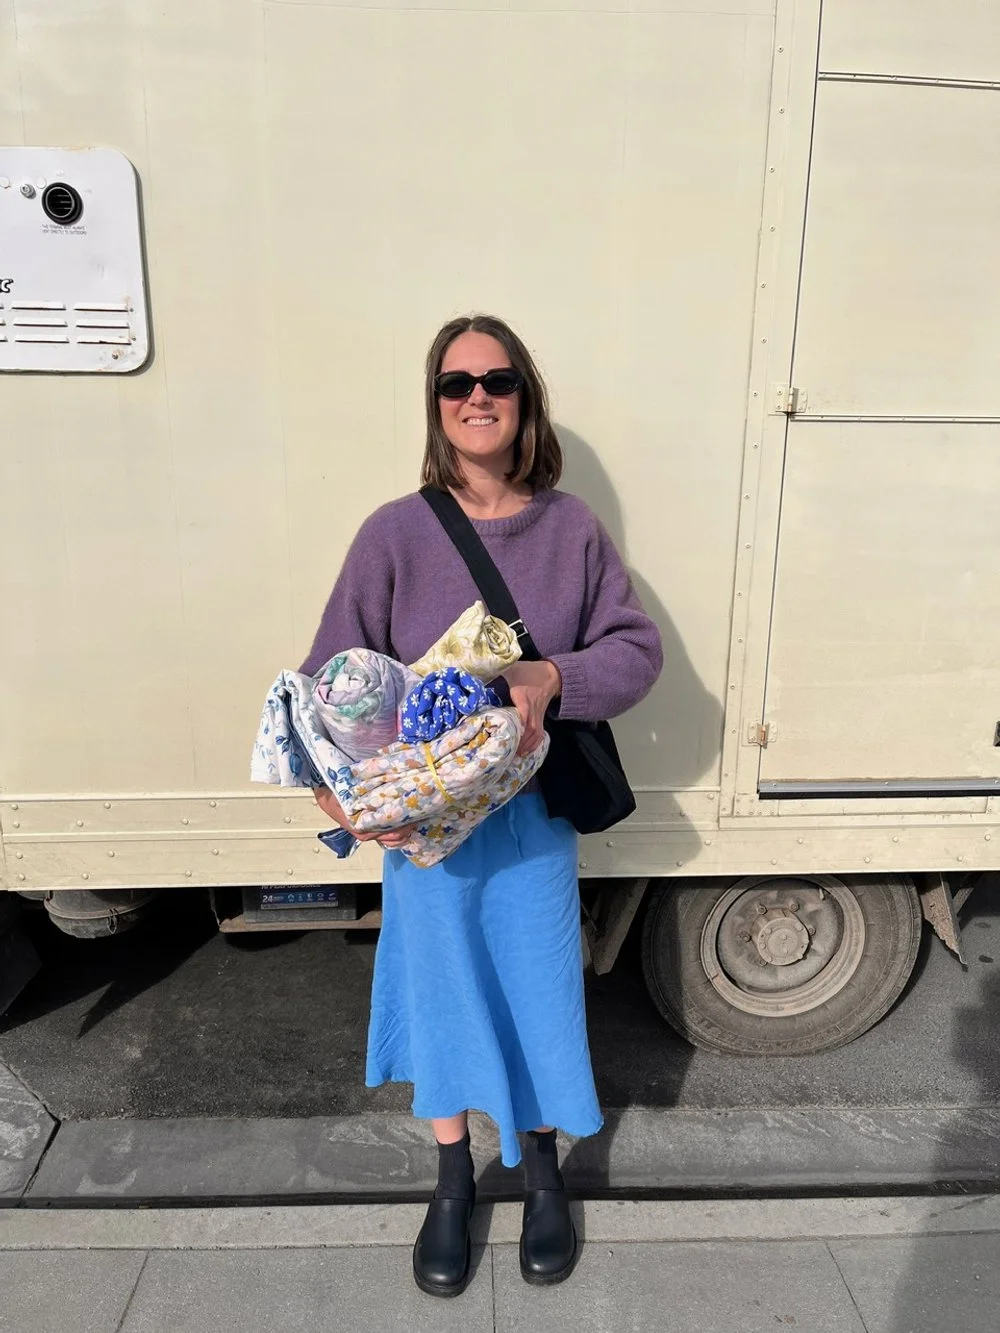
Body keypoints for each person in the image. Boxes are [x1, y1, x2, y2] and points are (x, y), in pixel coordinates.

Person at [301, 313, 663, 1297]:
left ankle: (541, 1169)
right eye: (455, 383)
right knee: (442, 991)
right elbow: (331, 680)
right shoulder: (393, 531)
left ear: (523, 398)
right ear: (434, 404)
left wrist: (555, 672)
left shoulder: (571, 529)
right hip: (427, 830)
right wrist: (346, 795)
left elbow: (636, 652)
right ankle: (453, 1176)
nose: (476, 397)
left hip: (534, 819)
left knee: (539, 985)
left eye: (497, 380)